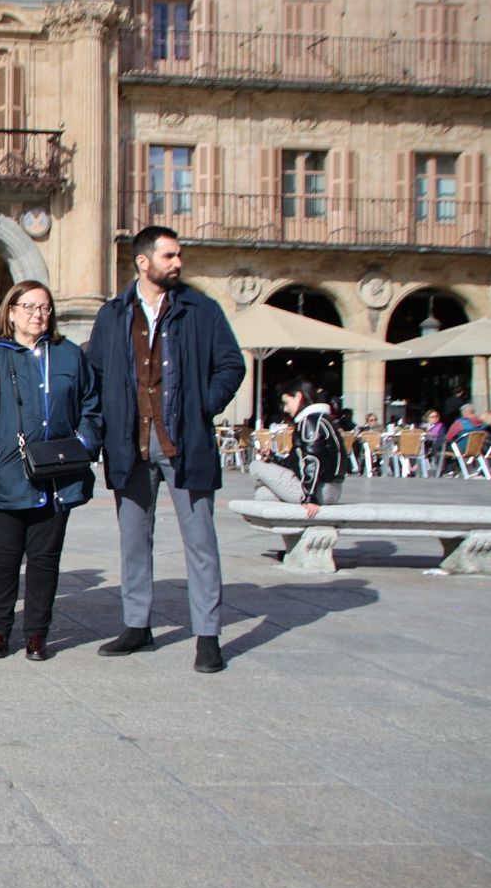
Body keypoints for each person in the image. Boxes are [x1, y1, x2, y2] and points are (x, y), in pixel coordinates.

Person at [86, 225, 245, 673]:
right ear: (143, 261)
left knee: (201, 541)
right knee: (134, 540)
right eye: (169, 256)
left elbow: (231, 364)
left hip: (185, 443)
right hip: (129, 444)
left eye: (178, 256)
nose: (178, 263)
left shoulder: (201, 309)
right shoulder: (113, 314)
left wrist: (202, 406)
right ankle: (137, 626)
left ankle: (208, 636)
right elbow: (95, 375)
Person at [0, 280, 101, 662]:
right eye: (29, 307)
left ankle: (36, 634)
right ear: (11, 311)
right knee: (4, 557)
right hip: (7, 471)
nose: (39, 315)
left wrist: (84, 443)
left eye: (45, 308)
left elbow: (91, 405)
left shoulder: (69, 355)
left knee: (45, 559)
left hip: (58, 474)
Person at [249, 379, 344, 515]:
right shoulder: (322, 419)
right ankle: (293, 529)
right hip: (330, 490)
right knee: (263, 494)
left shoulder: (309, 422)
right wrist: (273, 457)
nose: (286, 409)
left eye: (287, 402)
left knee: (256, 466)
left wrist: (310, 497)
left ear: (298, 397)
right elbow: (297, 461)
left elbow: (314, 459)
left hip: (318, 490)